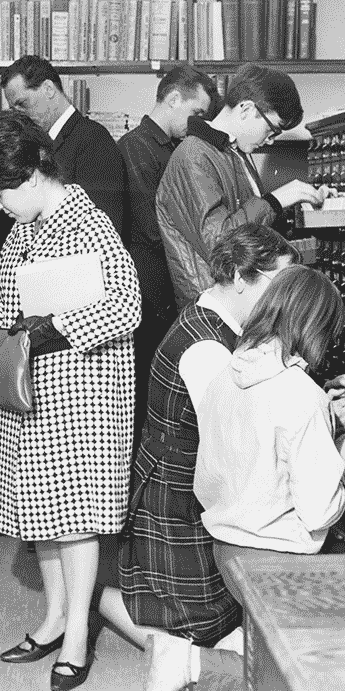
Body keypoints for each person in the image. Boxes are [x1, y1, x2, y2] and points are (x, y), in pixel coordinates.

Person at [0, 110, 141, 691]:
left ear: (36, 172)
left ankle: (80, 636)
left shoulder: (88, 223)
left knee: (76, 520)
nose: (0, 205)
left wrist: (46, 330)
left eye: (4, 192)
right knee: (40, 514)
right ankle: (54, 618)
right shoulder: (25, 227)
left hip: (83, 394)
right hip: (30, 395)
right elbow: (11, 312)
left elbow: (126, 305)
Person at [87, 225, 345, 691]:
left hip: (218, 516)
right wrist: (332, 442)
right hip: (185, 514)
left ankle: (175, 645)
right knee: (308, 651)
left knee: (260, 633)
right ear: (239, 276)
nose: (282, 300)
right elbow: (251, 443)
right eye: (277, 286)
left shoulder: (232, 343)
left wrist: (315, 398)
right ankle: (186, 659)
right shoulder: (207, 346)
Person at [155, 61, 333, 309]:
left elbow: (251, 225)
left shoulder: (234, 152)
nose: (270, 141)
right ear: (247, 109)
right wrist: (275, 200)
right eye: (272, 130)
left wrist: (306, 206)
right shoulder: (193, 155)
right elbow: (221, 245)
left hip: (241, 303)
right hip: (214, 309)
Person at [118, 66, 218, 453]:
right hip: (153, 293)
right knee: (154, 403)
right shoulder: (135, 147)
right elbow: (153, 227)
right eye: (196, 114)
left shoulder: (177, 149)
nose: (199, 125)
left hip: (173, 289)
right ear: (173, 99)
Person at [0, 54, 127, 243]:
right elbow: (24, 210)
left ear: (48, 89)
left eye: (22, 104)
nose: (18, 116)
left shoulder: (93, 139)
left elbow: (104, 231)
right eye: (13, 109)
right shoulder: (39, 141)